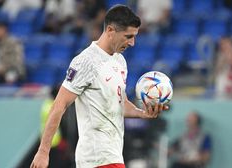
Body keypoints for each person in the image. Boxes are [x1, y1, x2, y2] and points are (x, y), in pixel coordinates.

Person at [30, 5, 168, 168]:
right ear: (110, 30)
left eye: (134, 37)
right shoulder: (86, 61)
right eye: (128, 36)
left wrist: (142, 113)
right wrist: (43, 151)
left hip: (113, 156)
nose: (132, 43)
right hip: (96, 157)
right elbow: (59, 105)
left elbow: (119, 104)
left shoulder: (119, 61)